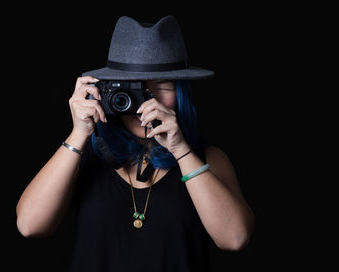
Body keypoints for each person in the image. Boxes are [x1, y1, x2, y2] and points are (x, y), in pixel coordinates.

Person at [16, 15, 254, 271]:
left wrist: (180, 149)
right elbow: (30, 226)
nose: (145, 103)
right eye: (135, 88)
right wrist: (78, 133)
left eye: (161, 86)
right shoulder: (83, 155)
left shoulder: (207, 158)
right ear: (108, 89)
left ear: (182, 91)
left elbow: (234, 239)